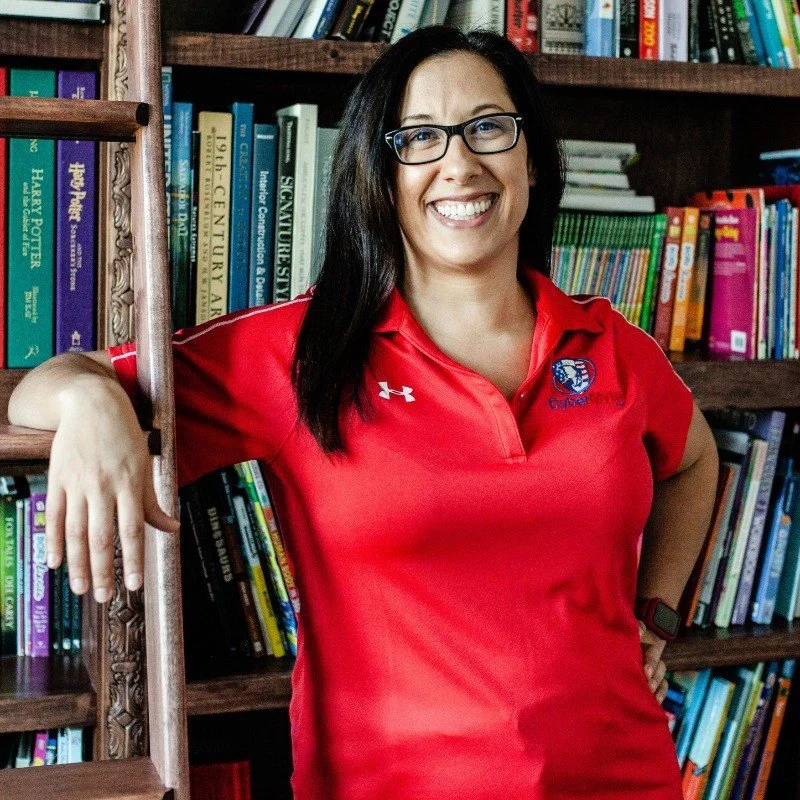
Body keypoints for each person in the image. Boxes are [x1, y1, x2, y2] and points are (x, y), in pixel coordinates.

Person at [9, 25, 719, 800]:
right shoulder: (305, 353)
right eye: (419, 138)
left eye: (487, 127)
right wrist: (89, 399)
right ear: (379, 175)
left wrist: (657, 618)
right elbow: (41, 385)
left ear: (534, 158)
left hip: (626, 779)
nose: (459, 163)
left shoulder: (613, 346)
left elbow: (694, 460)